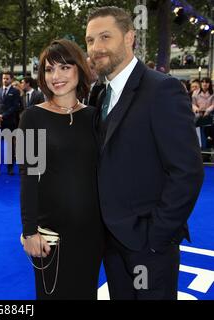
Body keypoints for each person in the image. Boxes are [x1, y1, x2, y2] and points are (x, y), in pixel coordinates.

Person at [85, 6, 204, 300]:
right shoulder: (99, 94)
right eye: (89, 40)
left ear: (129, 38)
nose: (96, 48)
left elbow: (187, 172)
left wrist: (155, 237)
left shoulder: (162, 89)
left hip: (148, 248)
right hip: (111, 245)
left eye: (105, 37)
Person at [19, 39, 103, 300]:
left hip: (92, 234)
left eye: (65, 67)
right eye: (48, 69)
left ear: (80, 68)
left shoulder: (94, 116)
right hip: (51, 236)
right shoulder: (32, 117)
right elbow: (29, 177)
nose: (56, 76)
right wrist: (29, 231)